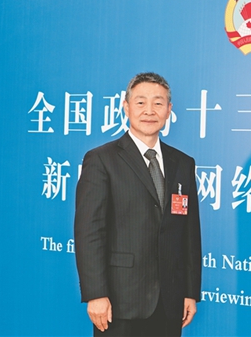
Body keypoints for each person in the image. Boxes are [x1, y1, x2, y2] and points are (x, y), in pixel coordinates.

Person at [74, 72, 202, 337]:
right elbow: (89, 232)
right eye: (141, 102)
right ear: (126, 106)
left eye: (158, 103)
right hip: (119, 301)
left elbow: (189, 233)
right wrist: (96, 294)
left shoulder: (183, 163)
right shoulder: (102, 159)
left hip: (170, 301)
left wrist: (190, 291)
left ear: (169, 110)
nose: (149, 111)